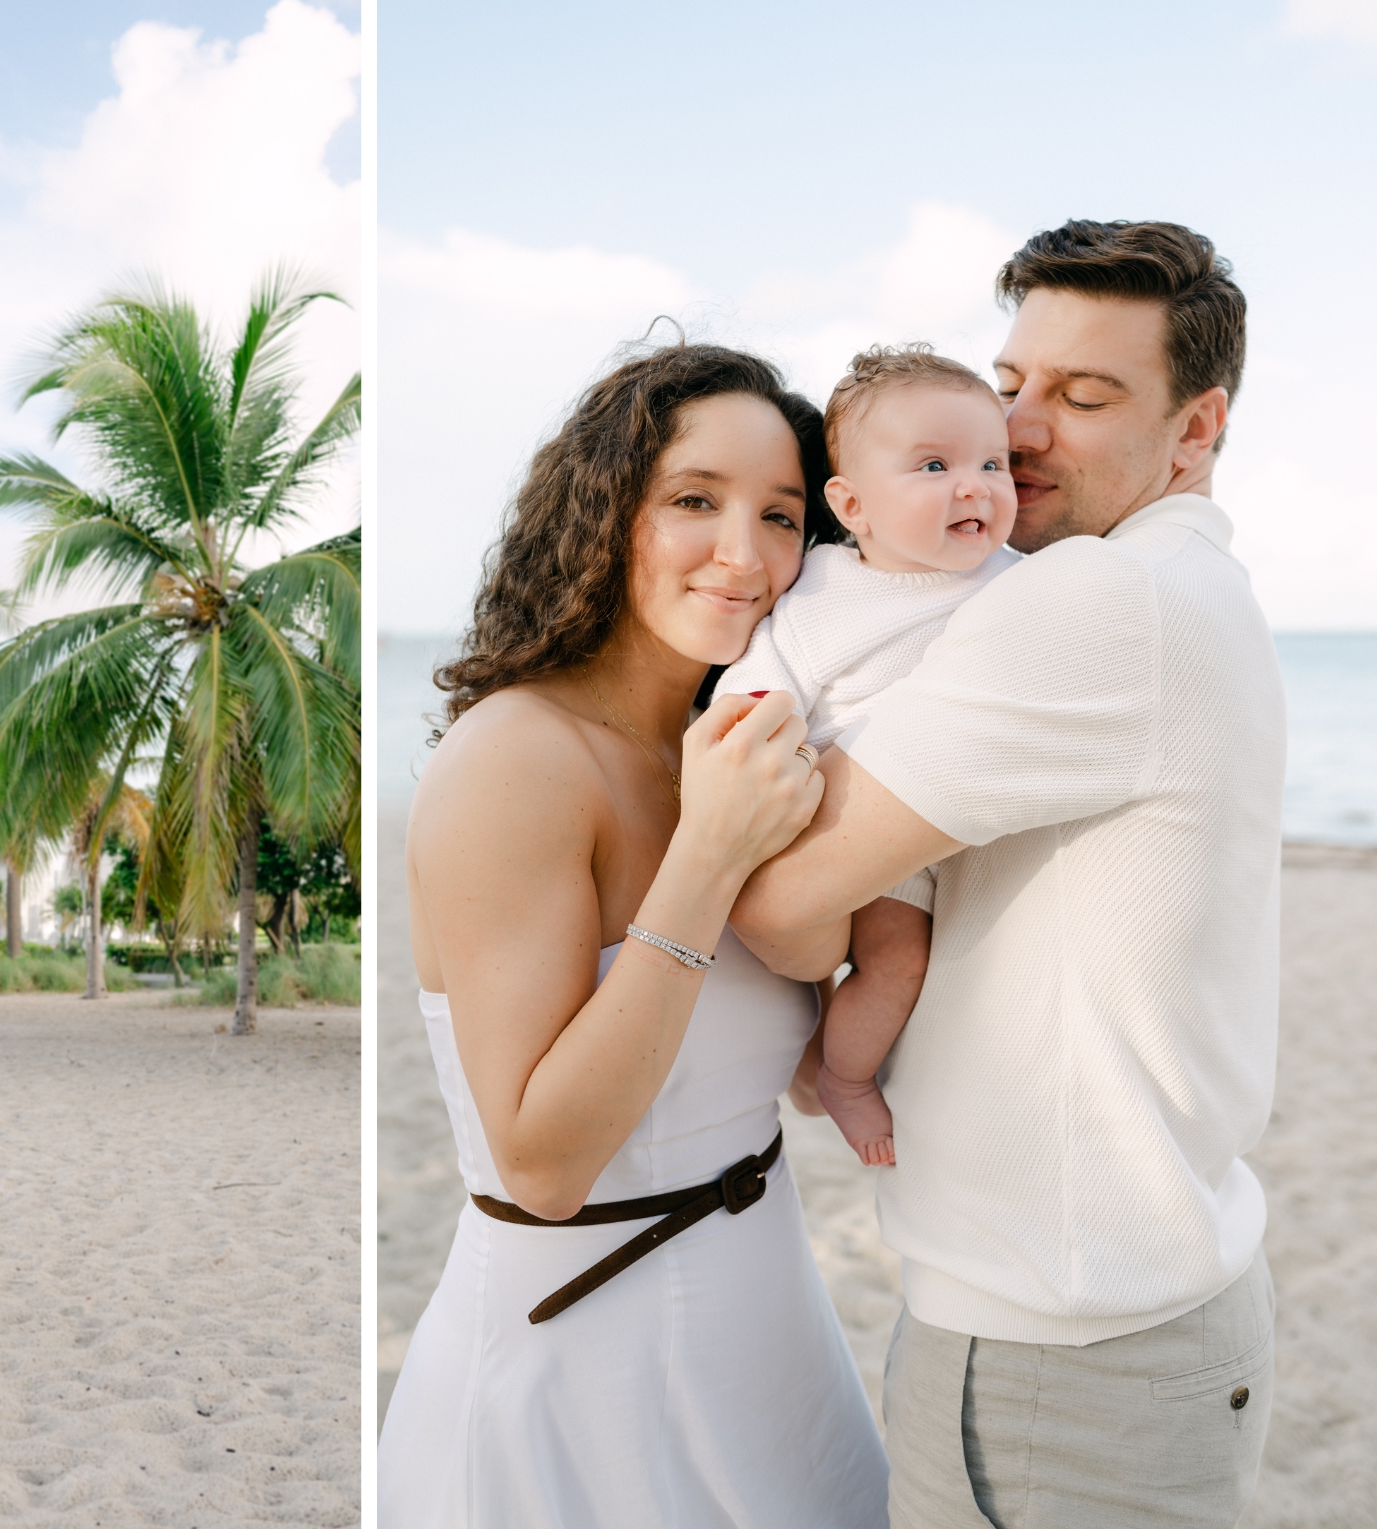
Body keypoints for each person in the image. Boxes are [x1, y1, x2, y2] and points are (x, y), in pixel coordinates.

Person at [730, 221, 1282, 1526]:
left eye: (1083, 399)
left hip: (1059, 1349)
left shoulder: (1099, 598)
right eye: (1014, 383)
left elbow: (785, 902)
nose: (1021, 430)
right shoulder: (1184, 589)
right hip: (1133, 1308)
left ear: (1196, 431)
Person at [379, 343, 890, 1526]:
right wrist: (706, 855)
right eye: (694, 502)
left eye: (781, 514)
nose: (744, 553)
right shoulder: (515, 758)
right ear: (605, 514)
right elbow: (545, 1164)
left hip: (766, 1337)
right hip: (581, 1372)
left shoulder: (736, 746)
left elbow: (810, 1037)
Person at [714, 344, 1019, 1165]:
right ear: (851, 504)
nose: (975, 485)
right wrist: (754, 724)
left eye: (996, 463)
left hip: (936, 817)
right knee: (892, 964)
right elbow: (764, 675)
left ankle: (826, 1059)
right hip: (837, 816)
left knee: (917, 965)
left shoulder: (1016, 578)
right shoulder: (822, 587)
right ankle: (847, 1080)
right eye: (933, 464)